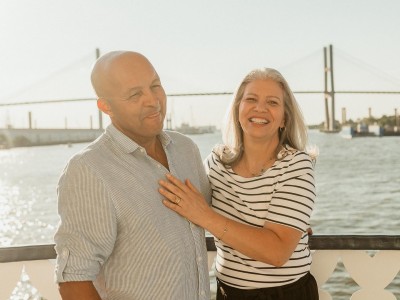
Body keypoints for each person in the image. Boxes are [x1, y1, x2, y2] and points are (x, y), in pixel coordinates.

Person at [54, 51, 211, 300]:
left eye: (155, 85)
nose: (153, 100)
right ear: (106, 106)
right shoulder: (88, 169)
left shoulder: (186, 149)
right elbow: (74, 279)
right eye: (135, 94)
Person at [159, 68, 319, 299]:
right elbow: (181, 205)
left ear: (284, 117)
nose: (260, 108)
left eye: (272, 102)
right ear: (238, 109)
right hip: (228, 293)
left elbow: (277, 252)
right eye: (251, 99)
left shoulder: (296, 165)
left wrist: (206, 217)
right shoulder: (216, 162)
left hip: (284, 295)